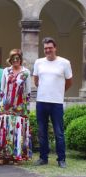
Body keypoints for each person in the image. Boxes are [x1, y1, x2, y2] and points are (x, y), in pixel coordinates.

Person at [33, 37, 72, 168]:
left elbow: (69, 82)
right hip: (41, 102)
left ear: (55, 48)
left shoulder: (64, 63)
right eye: (45, 48)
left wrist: (58, 92)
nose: (48, 50)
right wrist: (45, 91)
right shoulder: (39, 62)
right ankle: (43, 158)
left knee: (59, 132)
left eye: (50, 48)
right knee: (42, 132)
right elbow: (36, 80)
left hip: (56, 103)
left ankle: (61, 159)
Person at [0, 49, 32, 165]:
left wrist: (27, 106)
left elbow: (28, 90)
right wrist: (1, 104)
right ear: (10, 60)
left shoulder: (26, 72)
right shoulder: (6, 71)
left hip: (20, 105)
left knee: (18, 129)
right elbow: (2, 88)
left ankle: (17, 155)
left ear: (20, 59)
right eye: (13, 58)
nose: (15, 60)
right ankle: (3, 155)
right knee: (5, 129)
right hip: (6, 104)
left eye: (17, 58)